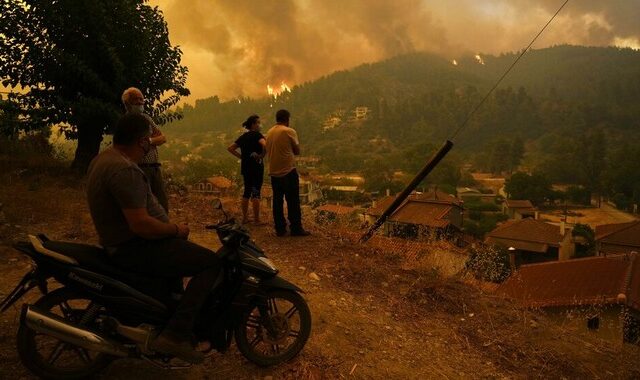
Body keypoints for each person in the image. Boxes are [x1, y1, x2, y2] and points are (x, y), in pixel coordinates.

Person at [86, 113, 220, 364]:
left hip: (120, 243)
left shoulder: (103, 159)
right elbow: (142, 225)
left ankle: (166, 319)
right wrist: (175, 230)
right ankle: (176, 334)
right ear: (141, 142)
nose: (149, 145)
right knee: (210, 263)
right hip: (135, 246)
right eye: (148, 140)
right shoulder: (124, 169)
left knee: (179, 265)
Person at [121, 87, 169, 213]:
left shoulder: (147, 119)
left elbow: (162, 138)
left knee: (162, 202)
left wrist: (149, 141)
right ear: (127, 103)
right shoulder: (126, 123)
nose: (140, 102)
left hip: (154, 168)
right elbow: (134, 144)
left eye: (141, 99)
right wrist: (151, 140)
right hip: (139, 168)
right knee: (143, 203)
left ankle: (163, 229)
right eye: (136, 100)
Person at [265, 109, 310, 237]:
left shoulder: (269, 132)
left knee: (277, 202)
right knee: (293, 201)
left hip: (274, 172)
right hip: (288, 171)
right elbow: (297, 151)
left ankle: (280, 229)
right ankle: (296, 228)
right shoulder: (289, 131)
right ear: (287, 119)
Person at [227, 115, 266, 224]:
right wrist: (261, 156)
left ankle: (245, 218)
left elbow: (230, 148)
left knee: (246, 192)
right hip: (257, 168)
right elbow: (266, 145)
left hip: (246, 168)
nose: (259, 125)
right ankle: (257, 220)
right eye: (258, 123)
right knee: (256, 192)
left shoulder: (243, 136)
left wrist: (242, 157)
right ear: (253, 124)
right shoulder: (258, 135)